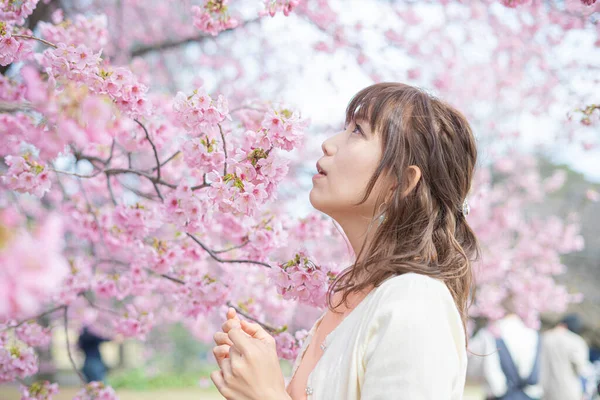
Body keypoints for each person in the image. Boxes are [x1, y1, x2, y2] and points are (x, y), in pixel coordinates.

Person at [210, 82, 479, 399]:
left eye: (358, 131)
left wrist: (267, 395)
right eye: (345, 127)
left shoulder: (415, 299)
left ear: (401, 182)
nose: (328, 144)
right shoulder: (351, 300)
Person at [467, 313, 543, 400]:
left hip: (500, 394)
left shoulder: (489, 333)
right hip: (530, 395)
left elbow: (472, 369)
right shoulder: (534, 333)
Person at [540, 314, 590, 400]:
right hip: (568, 392)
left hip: (545, 391)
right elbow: (581, 369)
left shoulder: (544, 337)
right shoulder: (576, 341)